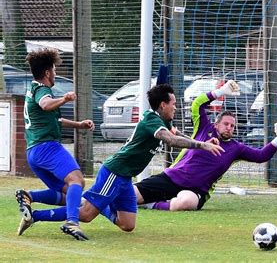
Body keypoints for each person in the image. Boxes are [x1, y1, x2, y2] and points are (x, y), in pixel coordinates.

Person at [18, 83, 224, 240]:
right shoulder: (152, 120)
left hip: (125, 177)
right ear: (163, 105)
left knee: (127, 224)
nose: (176, 108)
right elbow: (171, 140)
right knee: (87, 214)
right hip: (114, 171)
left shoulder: (163, 121)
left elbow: (178, 135)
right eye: (174, 104)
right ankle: (36, 216)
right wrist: (203, 146)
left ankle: (99, 203)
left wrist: (203, 141)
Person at [133, 79, 277, 211]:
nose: (229, 128)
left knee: (185, 203)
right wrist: (220, 91)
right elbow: (197, 104)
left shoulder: (236, 148)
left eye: (232, 126)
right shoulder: (203, 128)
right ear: (216, 124)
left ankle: (152, 204)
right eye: (226, 124)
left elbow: (261, 155)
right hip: (172, 178)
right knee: (130, 195)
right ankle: (146, 199)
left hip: (196, 190)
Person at [16, 48, 95, 240]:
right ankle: (71, 222)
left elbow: (55, 120)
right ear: (47, 73)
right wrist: (65, 98)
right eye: (54, 70)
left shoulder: (33, 89)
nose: (56, 74)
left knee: (68, 191)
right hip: (47, 147)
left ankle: (29, 198)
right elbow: (45, 104)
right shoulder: (42, 90)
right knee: (77, 181)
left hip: (34, 152)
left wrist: (79, 125)